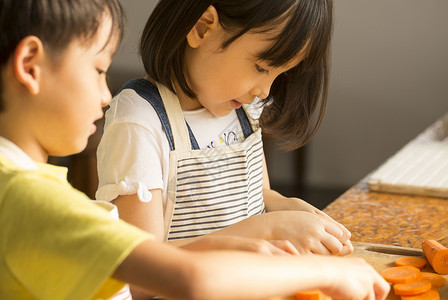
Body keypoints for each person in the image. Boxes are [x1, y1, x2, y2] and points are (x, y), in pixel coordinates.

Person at [0, 1, 391, 300]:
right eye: (99, 70)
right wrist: (323, 270)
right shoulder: (31, 198)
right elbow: (178, 276)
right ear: (31, 66)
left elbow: (256, 198)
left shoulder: (34, 188)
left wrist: (287, 210)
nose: (106, 96)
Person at [97, 0, 352, 258]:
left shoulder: (244, 107)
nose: (264, 90)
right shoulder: (140, 120)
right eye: (262, 67)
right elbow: (141, 266)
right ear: (201, 28)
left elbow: (259, 192)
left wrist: (284, 207)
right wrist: (266, 228)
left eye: (280, 73)